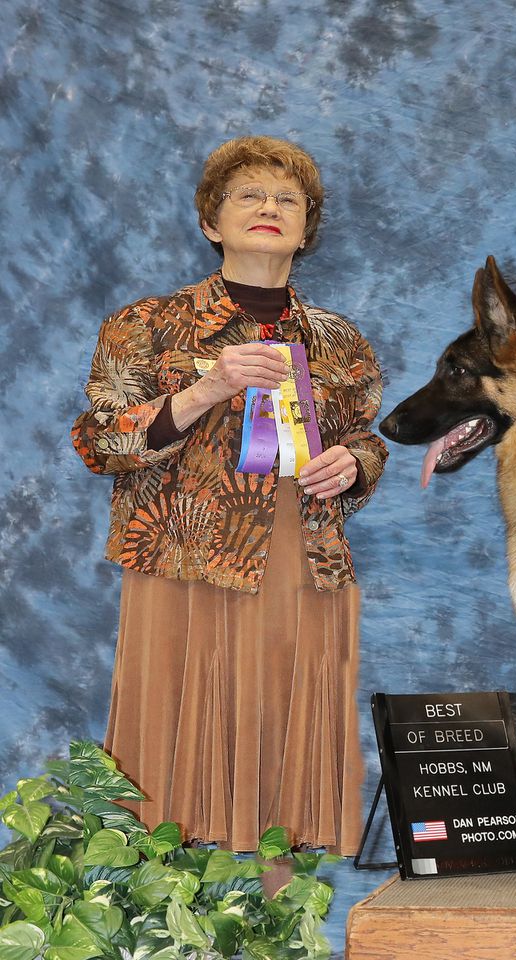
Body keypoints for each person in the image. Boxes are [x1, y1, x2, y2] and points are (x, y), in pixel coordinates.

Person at [72, 135, 387, 857]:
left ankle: (284, 914)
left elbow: (367, 438)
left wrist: (356, 466)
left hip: (304, 564)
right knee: (170, 768)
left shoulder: (341, 342)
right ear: (212, 222)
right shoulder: (144, 325)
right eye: (249, 195)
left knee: (288, 766)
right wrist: (207, 389)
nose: (270, 208)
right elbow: (99, 442)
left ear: (308, 229)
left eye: (289, 200)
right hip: (184, 565)